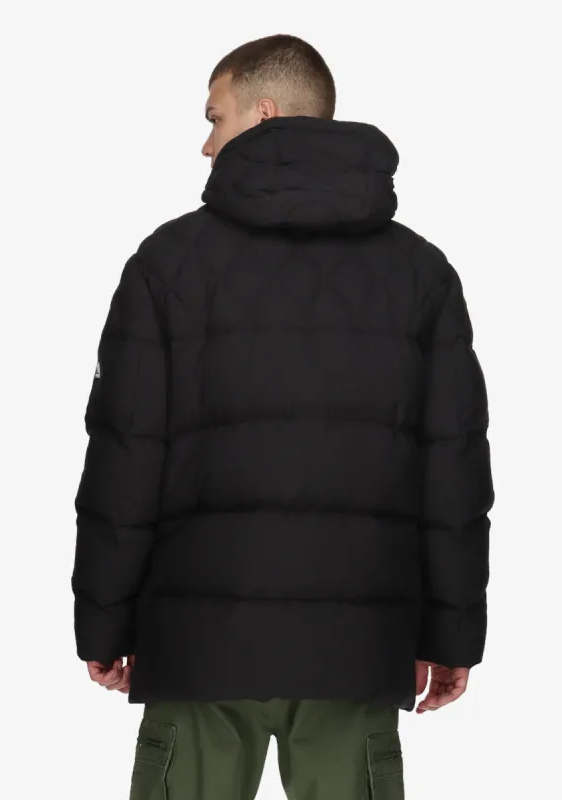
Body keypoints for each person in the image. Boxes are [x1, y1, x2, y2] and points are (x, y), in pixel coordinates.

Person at [72, 33, 494, 800]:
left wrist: (106, 623)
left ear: (263, 114)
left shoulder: (168, 264)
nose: (206, 144)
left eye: (215, 118)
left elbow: (124, 459)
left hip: (199, 649)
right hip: (356, 652)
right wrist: (452, 632)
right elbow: (453, 471)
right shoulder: (421, 274)